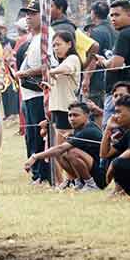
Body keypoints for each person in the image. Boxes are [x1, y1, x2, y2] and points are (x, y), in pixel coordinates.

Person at [16, 1, 57, 185]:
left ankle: (43, 174)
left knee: (40, 135)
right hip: (28, 94)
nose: (28, 17)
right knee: (31, 135)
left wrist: (26, 73)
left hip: (40, 94)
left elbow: (50, 66)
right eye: (27, 14)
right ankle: (36, 173)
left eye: (33, 13)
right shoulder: (33, 37)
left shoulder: (48, 36)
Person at [24, 102, 106, 190]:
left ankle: (91, 185)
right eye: (70, 115)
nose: (72, 119)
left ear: (86, 115)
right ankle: (78, 182)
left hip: (100, 177)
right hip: (90, 168)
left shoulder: (89, 130)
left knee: (71, 152)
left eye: (75, 115)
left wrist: (35, 157)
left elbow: (60, 148)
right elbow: (45, 136)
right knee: (61, 153)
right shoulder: (79, 128)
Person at [96, 0, 130, 128]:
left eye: (117, 15)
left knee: (113, 134)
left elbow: (115, 65)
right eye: (111, 15)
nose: (113, 19)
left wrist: (103, 61)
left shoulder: (125, 34)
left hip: (122, 95)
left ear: (129, 15)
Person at [47, 31, 82, 186]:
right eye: (54, 45)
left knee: (62, 149)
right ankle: (67, 180)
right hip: (57, 109)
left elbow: (67, 69)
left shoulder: (72, 59)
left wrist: (51, 71)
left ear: (69, 44)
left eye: (59, 44)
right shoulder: (61, 63)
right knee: (59, 149)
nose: (56, 48)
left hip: (67, 110)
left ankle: (71, 179)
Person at [83, 1, 117, 113]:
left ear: (93, 13)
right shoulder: (115, 30)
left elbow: (93, 57)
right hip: (113, 79)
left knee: (96, 112)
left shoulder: (96, 32)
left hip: (97, 79)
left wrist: (87, 78)